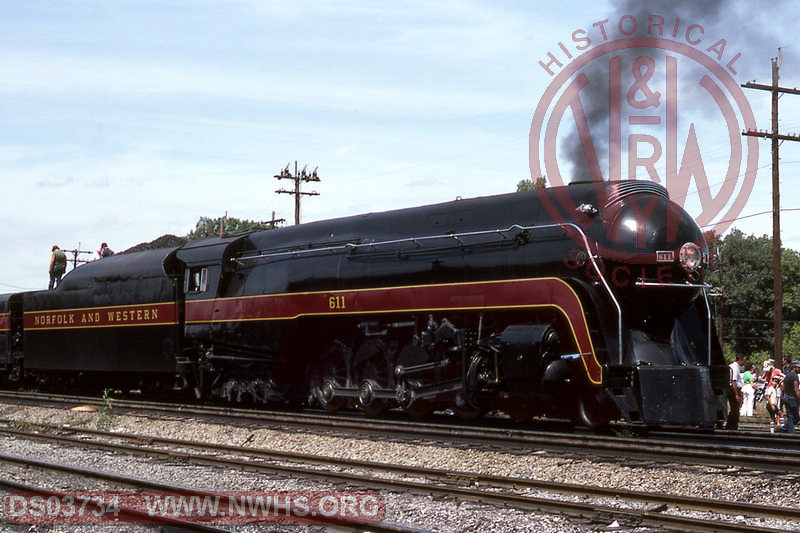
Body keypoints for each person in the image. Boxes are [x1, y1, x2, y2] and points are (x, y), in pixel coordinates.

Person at [778, 360, 800, 434]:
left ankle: (784, 429)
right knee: (795, 417)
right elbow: (796, 388)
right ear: (794, 367)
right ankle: (791, 433)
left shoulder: (787, 375)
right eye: (798, 367)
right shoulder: (794, 376)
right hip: (792, 398)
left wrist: (783, 396)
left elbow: (783, 387)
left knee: (790, 415)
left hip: (786, 397)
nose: (799, 369)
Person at [726, 354, 745, 430]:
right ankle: (732, 426)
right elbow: (733, 381)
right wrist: (736, 394)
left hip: (732, 389)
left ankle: (731, 425)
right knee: (735, 409)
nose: (744, 362)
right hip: (734, 389)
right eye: (743, 360)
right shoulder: (735, 368)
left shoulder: (731, 366)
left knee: (734, 409)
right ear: (740, 360)